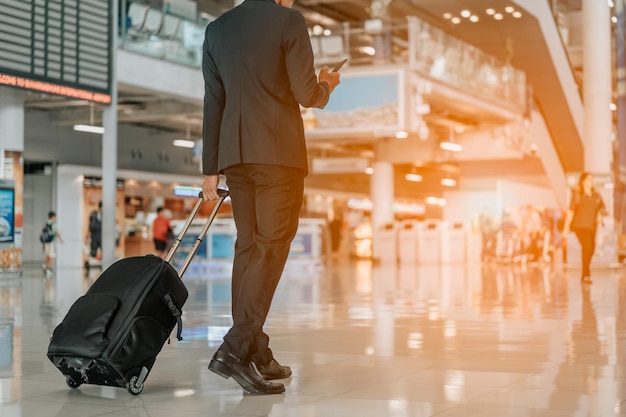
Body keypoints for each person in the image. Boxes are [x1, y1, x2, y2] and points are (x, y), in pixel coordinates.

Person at [200, 0, 340, 395]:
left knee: (248, 249)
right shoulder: (288, 21)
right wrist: (328, 81)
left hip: (235, 157)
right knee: (271, 248)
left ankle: (256, 351)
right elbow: (307, 93)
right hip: (278, 156)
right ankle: (235, 350)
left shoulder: (217, 30)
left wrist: (211, 167)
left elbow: (215, 101)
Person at [562, 172, 606, 283]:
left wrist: (600, 216)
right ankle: (585, 275)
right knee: (586, 247)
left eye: (591, 179)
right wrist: (565, 230)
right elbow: (571, 212)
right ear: (582, 181)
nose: (590, 182)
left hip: (592, 226)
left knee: (591, 249)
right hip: (580, 226)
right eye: (588, 179)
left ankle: (585, 273)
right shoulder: (577, 195)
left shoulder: (596, 195)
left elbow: (603, 208)